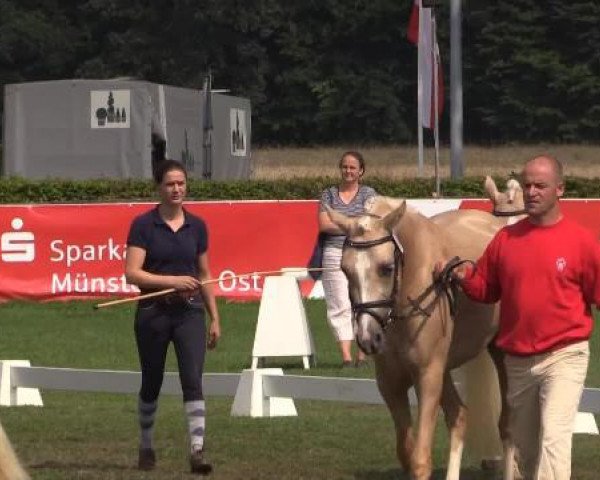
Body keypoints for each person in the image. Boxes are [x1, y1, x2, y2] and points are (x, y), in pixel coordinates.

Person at [442, 155, 600, 480]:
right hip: (518, 361)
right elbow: (486, 289)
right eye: (527, 185)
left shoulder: (581, 242)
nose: (531, 192)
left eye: (540, 185)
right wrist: (463, 275)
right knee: (525, 450)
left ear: (560, 189)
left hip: (565, 356)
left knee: (554, 438)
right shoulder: (505, 240)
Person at [125, 159, 221, 475]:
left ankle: (197, 451)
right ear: (159, 187)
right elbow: (132, 273)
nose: (177, 189)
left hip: (189, 314)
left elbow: (205, 274)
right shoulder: (143, 224)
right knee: (151, 382)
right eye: (170, 184)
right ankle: (146, 444)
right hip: (153, 313)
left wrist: (215, 317)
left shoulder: (199, 225)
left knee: (192, 380)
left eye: (181, 183)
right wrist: (173, 281)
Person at [318, 151, 376, 367]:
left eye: (353, 167)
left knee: (363, 302)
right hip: (334, 253)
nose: (348, 171)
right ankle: (346, 356)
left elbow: (371, 223)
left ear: (361, 171)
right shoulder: (329, 195)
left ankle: (362, 354)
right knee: (339, 303)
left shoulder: (369, 194)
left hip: (363, 253)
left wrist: (341, 223)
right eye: (345, 167)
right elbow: (324, 225)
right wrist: (354, 224)